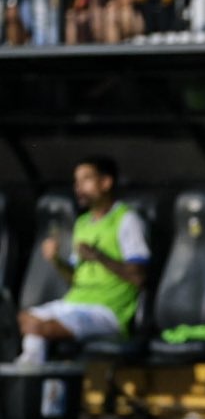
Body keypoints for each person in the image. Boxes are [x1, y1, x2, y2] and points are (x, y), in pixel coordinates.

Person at [16, 157, 150, 366]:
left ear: (106, 183)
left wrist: (99, 256)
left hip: (106, 312)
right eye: (76, 182)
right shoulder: (82, 223)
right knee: (23, 319)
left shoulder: (126, 219)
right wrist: (56, 261)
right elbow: (74, 279)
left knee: (37, 327)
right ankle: (31, 375)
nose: (78, 187)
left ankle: (31, 379)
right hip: (75, 303)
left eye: (86, 179)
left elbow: (138, 277)